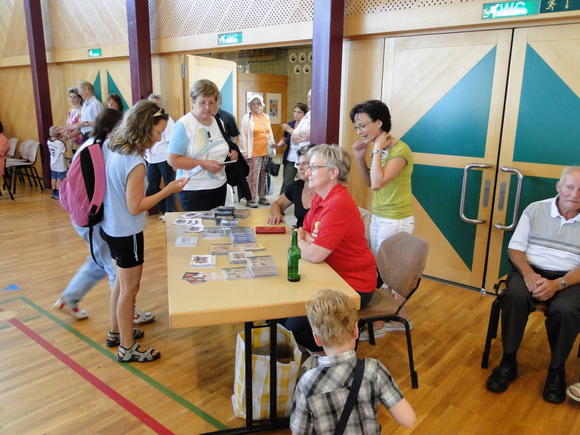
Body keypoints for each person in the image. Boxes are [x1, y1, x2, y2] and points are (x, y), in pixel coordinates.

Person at [101, 100, 188, 362]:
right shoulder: (136, 163)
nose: (160, 138)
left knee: (120, 284)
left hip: (111, 227)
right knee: (130, 290)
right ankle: (127, 348)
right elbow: (136, 206)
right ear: (144, 127)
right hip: (126, 232)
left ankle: (117, 331)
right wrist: (167, 190)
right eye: (158, 132)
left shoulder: (114, 146)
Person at [485, 167, 580, 404]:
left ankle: (556, 370)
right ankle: (508, 361)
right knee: (514, 297)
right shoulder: (535, 209)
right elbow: (515, 249)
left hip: (570, 277)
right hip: (531, 270)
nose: (575, 194)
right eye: (570, 187)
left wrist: (558, 284)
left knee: (566, 310)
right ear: (559, 187)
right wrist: (528, 275)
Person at [54, 109, 157, 326]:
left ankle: (70, 298)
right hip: (95, 218)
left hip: (87, 214)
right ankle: (125, 314)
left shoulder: (92, 145)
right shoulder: (103, 148)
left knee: (100, 261)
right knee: (115, 268)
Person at [284, 144, 377, 353]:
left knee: (292, 326)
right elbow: (302, 230)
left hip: (353, 285)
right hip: (329, 275)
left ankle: (327, 358)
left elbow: (314, 254)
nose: (307, 172)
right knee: (280, 314)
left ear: (333, 172)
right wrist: (308, 240)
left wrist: (304, 242)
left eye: (314, 167)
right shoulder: (321, 197)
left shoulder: (338, 203)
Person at [290, 289, 416, 434]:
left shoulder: (307, 382)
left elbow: (299, 431)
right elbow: (408, 419)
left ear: (317, 339)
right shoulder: (374, 369)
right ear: (356, 330)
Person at [350, 100, 414, 338]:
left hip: (395, 218)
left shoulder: (399, 150)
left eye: (362, 125)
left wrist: (376, 149)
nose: (360, 131)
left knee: (385, 273)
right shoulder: (382, 149)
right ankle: (398, 318)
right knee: (380, 270)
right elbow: (370, 182)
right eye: (356, 127)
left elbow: (377, 183)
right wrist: (360, 157)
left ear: (379, 122)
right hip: (380, 215)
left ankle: (380, 323)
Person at [168, 79, 237, 211]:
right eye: (202, 102)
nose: (207, 107)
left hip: (219, 186)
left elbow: (219, 149)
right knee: (198, 225)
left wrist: (230, 156)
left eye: (211, 102)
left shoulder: (218, 122)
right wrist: (203, 164)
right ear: (193, 101)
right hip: (193, 190)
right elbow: (173, 161)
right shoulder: (184, 125)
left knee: (217, 224)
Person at [239, 94, 275, 208]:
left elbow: (270, 133)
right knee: (252, 177)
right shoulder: (247, 118)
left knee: (264, 175)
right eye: (253, 103)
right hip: (253, 152)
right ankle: (250, 199)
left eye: (258, 103)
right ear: (250, 105)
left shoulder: (266, 117)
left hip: (266, 151)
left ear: (262, 105)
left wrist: (273, 149)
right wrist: (244, 152)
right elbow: (243, 136)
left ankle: (262, 196)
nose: (256, 106)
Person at [144, 93, 176, 218]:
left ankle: (170, 213)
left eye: (157, 105)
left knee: (169, 186)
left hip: (164, 158)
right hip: (150, 159)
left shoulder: (167, 120)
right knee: (152, 186)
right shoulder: (145, 120)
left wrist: (173, 160)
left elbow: (172, 141)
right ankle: (164, 210)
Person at [267, 145, 313, 228]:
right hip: (299, 234)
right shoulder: (298, 185)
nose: (300, 168)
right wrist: (277, 214)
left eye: (305, 163)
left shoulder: (324, 191)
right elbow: (277, 204)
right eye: (298, 164)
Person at [276, 102, 308, 194]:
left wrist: (289, 130)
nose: (296, 114)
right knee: (287, 181)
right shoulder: (290, 124)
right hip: (290, 157)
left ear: (305, 114)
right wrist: (277, 145)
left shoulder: (306, 125)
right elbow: (285, 139)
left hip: (303, 157)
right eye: (295, 112)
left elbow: (300, 136)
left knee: (303, 181)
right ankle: (282, 198)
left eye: (299, 112)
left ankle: (299, 199)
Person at [60, 87, 84, 152]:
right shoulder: (71, 111)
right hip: (73, 142)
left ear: (79, 99)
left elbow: (81, 129)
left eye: (74, 97)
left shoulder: (82, 111)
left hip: (81, 141)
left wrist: (68, 136)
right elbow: (68, 126)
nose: (71, 99)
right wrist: (62, 132)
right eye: (70, 97)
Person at [47, 126, 67, 199]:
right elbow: (64, 150)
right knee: (60, 179)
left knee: (54, 178)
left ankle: (54, 192)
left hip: (53, 163)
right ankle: (58, 194)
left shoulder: (48, 141)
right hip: (60, 165)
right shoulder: (59, 143)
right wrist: (64, 141)